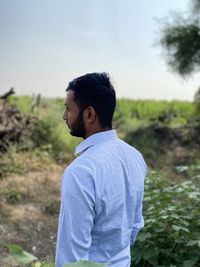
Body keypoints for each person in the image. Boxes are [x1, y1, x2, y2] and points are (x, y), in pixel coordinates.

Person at [55, 72, 148, 267]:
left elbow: (73, 260)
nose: (64, 116)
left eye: (68, 109)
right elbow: (135, 225)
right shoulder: (135, 156)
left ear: (89, 114)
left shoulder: (80, 172)